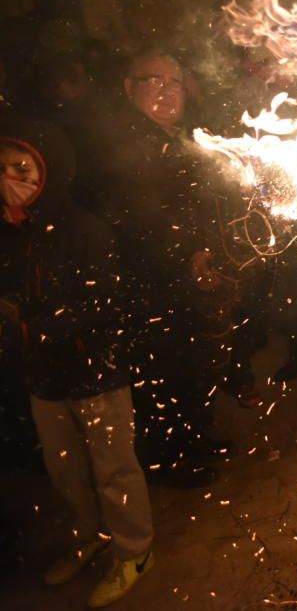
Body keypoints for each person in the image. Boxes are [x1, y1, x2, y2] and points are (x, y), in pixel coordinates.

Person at [0, 118, 155, 607]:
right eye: (1, 167)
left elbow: (102, 303)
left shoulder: (85, 230)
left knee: (114, 471)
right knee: (65, 471)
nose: (10, 179)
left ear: (48, 172)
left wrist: (33, 326)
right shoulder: (8, 233)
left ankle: (135, 550)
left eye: (21, 168)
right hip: (44, 379)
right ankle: (89, 538)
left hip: (96, 375)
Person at [94, 51, 237, 488]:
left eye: (174, 82)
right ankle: (166, 459)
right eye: (153, 81)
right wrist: (188, 254)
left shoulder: (184, 136)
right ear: (128, 88)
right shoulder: (119, 144)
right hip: (148, 282)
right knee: (160, 371)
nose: (165, 91)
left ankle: (195, 438)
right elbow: (137, 217)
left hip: (186, 273)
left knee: (193, 361)